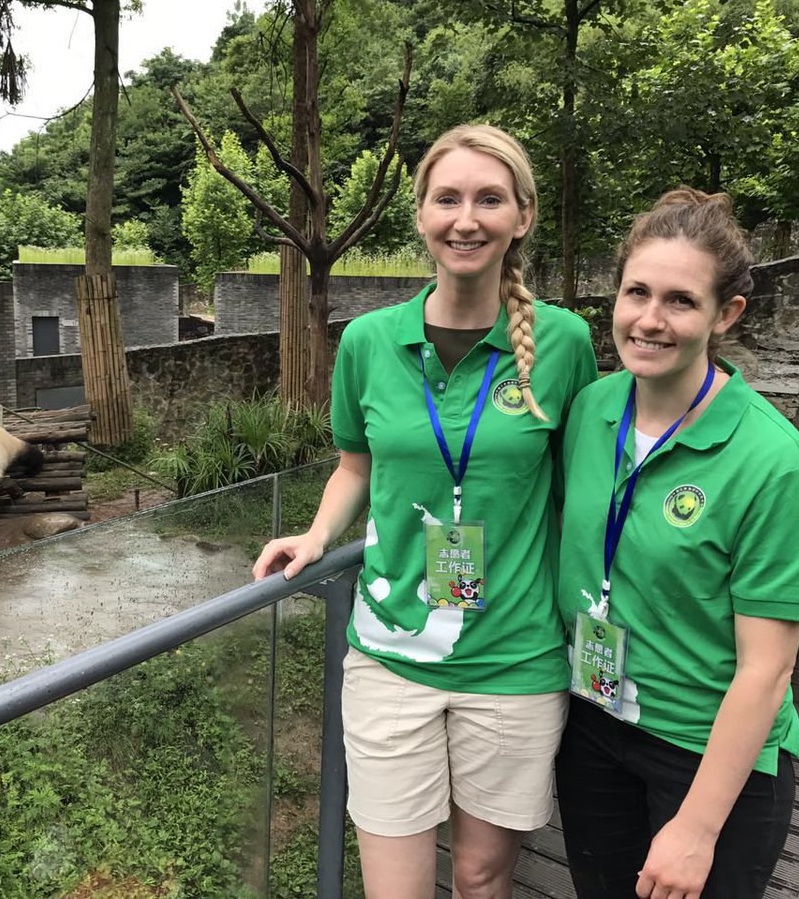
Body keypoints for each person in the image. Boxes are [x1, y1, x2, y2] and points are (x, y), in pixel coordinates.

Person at [252, 123, 597, 899]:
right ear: (420, 214)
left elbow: (579, 491)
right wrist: (315, 534)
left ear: (523, 216)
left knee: (480, 879)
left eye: (489, 199)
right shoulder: (369, 342)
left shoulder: (565, 342)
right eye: (447, 198)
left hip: (516, 658)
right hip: (389, 655)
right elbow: (355, 468)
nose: (465, 218)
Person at [554, 188, 799, 899]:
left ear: (725, 314)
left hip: (708, 756)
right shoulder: (592, 408)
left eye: (679, 300)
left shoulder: (772, 462)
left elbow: (767, 671)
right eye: (636, 292)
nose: (649, 319)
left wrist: (697, 827)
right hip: (594, 722)